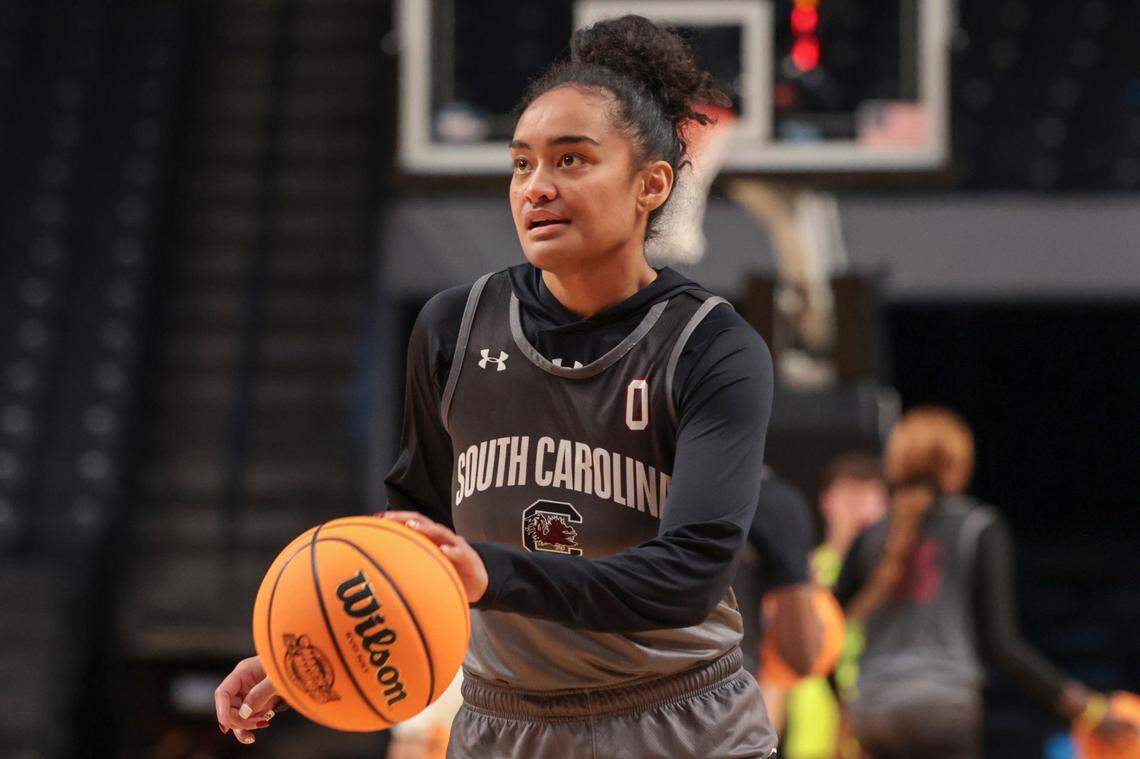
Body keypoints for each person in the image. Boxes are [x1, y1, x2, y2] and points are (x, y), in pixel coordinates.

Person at [215, 15, 779, 757]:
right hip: (503, 726)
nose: (537, 187)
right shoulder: (453, 326)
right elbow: (414, 526)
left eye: (572, 160)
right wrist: (313, 644)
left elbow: (689, 575)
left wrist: (493, 572)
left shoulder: (711, 345)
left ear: (651, 183)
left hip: (678, 720)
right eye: (522, 164)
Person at [834, 406, 1121, 759]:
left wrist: (843, 704)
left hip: (873, 713)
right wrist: (1087, 708)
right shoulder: (979, 526)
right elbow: (1003, 644)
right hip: (944, 709)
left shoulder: (871, 536)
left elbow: (825, 632)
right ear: (958, 462)